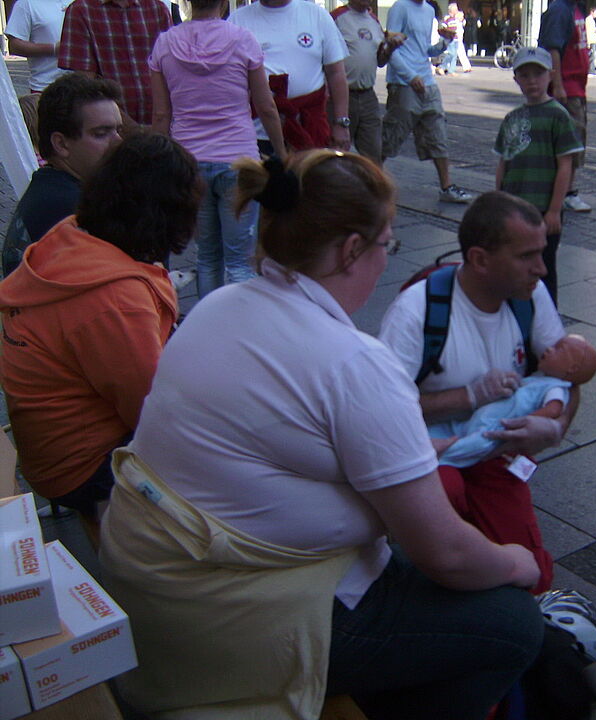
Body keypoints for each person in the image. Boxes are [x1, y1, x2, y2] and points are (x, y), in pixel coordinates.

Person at [96, 150, 543, 720]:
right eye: (386, 246)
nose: (384, 261)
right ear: (351, 249)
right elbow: (447, 555)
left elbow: (282, 446)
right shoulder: (352, 363)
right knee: (514, 624)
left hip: (158, 587)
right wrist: (518, 564)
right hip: (227, 623)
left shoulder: (220, 305)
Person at [380, 191, 580, 595]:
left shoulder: (530, 295)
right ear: (480, 259)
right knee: (449, 504)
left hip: (494, 455)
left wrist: (556, 427)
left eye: (542, 252)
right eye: (527, 256)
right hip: (429, 454)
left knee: (534, 579)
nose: (542, 269)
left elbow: (568, 378)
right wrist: (470, 396)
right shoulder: (417, 310)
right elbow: (381, 417)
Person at [0, 134, 200, 528]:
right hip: (82, 467)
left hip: (49, 448)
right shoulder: (115, 298)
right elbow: (152, 413)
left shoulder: (73, 232)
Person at [149, 0, 286, 298]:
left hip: (189, 162)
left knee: (207, 256)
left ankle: (207, 320)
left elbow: (161, 115)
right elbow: (266, 106)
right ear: (223, 2)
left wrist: (156, 163)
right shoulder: (243, 40)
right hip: (238, 160)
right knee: (240, 259)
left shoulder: (165, 44)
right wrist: (281, 153)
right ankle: (239, 322)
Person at [2, 73, 122, 276]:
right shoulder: (71, 211)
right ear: (61, 143)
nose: (118, 142)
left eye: (118, 130)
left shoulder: (53, 188)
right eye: (101, 133)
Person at [494, 46, 583, 304]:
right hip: (514, 208)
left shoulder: (558, 116)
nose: (532, 81)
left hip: (544, 209)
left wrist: (554, 210)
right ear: (516, 80)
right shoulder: (512, 118)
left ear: (551, 76)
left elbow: (565, 165)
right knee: (513, 263)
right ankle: (517, 309)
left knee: (543, 267)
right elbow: (503, 162)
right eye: (525, 75)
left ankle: (546, 314)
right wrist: (498, 201)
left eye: (538, 74)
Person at [432, 334, 596, 468]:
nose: (549, 348)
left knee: (472, 445)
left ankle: (436, 456)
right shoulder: (540, 379)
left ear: (572, 368)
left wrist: (525, 422)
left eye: (558, 349)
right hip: (484, 417)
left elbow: (554, 409)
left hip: (498, 427)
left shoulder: (555, 388)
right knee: (454, 429)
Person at [382, 0, 475, 203]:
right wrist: (410, 76)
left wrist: (445, 42)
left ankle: (446, 187)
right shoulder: (400, 8)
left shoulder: (428, 10)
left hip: (427, 82)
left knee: (437, 132)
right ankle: (370, 181)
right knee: (391, 136)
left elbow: (424, 50)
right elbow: (390, 49)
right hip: (404, 83)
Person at [229, 0, 350, 152]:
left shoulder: (317, 16)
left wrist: (341, 122)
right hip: (255, 133)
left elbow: (336, 73)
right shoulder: (237, 20)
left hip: (309, 128)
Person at [57, 0, 171, 132]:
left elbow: (173, 76)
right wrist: (131, 129)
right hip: (112, 130)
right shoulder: (81, 10)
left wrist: (162, 127)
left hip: (162, 128)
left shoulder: (157, 8)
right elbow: (86, 87)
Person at [331, 0, 404, 163]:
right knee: (337, 151)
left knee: (373, 154)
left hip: (367, 95)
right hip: (342, 95)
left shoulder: (374, 21)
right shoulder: (337, 18)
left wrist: (391, 48)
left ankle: (372, 179)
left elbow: (380, 61)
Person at [539, 0, 592, 213]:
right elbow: (553, 49)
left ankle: (564, 191)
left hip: (577, 87)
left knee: (573, 141)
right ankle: (565, 193)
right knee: (570, 142)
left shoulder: (575, 9)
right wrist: (558, 85)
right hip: (568, 89)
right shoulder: (560, 10)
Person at [4, 0, 71, 93]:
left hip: (83, 84)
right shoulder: (26, 3)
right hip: (46, 88)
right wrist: (54, 49)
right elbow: (15, 46)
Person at [585, 6, 596, 76]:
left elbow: (592, 30)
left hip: (593, 40)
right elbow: (588, 31)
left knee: (593, 56)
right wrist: (588, 42)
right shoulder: (589, 20)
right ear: (592, 12)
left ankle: (591, 70)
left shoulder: (591, 20)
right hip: (591, 40)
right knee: (591, 56)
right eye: (595, 13)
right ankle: (590, 70)